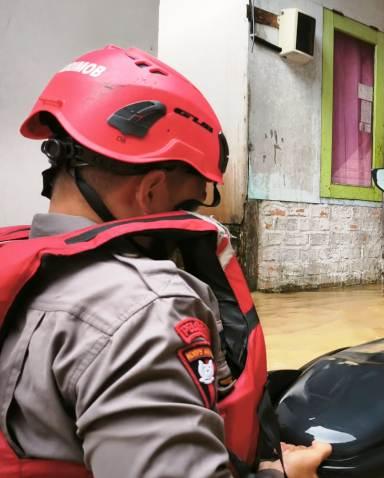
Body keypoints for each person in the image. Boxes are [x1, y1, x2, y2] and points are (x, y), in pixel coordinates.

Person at [0, 45, 330, 477]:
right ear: (151, 191)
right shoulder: (143, 311)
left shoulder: (17, 264)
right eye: (190, 202)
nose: (194, 218)